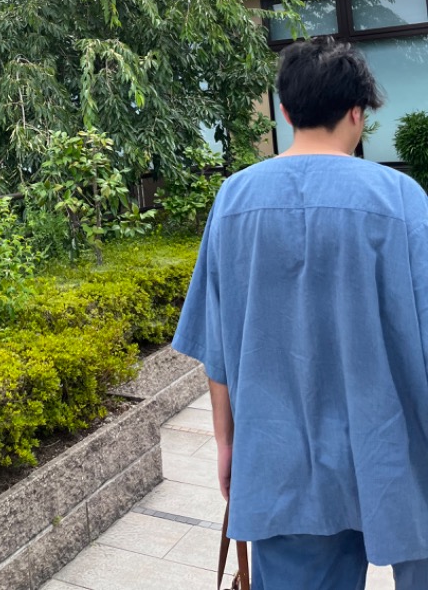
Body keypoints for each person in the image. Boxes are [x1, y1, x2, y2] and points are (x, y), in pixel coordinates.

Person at [172, 37, 428, 589]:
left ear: (285, 111)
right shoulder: (402, 200)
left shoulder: (234, 200)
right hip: (396, 449)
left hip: (282, 458)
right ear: (358, 113)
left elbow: (219, 344)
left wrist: (226, 444)